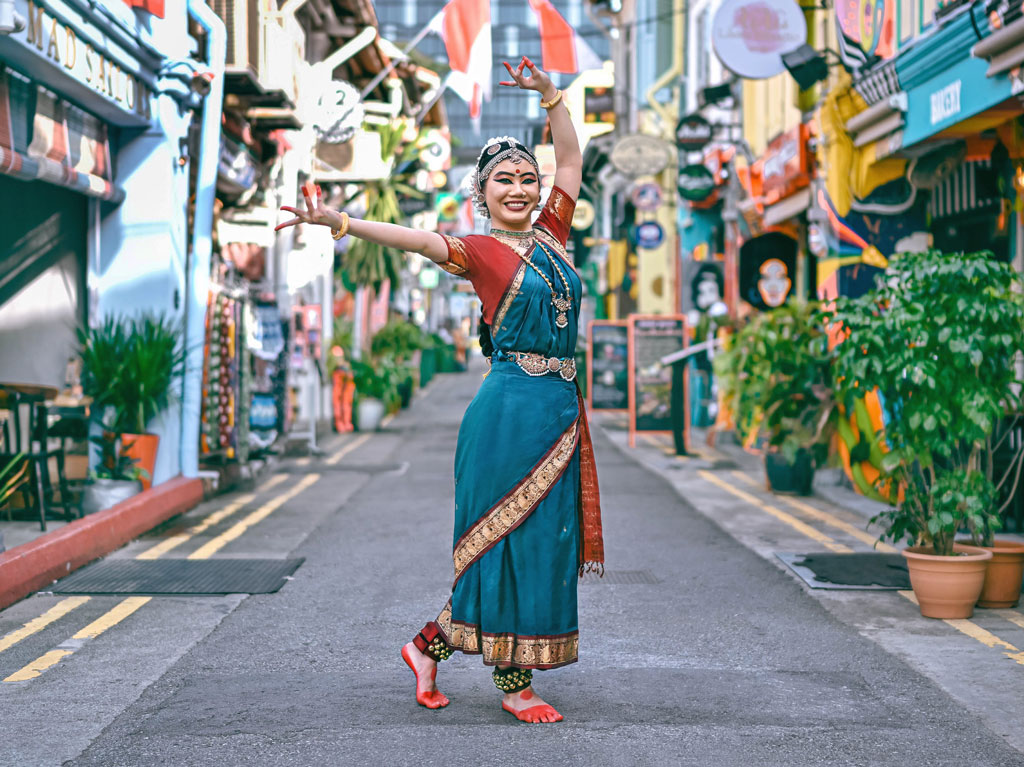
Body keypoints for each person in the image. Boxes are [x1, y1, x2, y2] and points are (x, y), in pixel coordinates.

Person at [276, 56, 603, 724]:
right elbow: (415, 240)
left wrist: (551, 97)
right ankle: (514, 683)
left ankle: (428, 647)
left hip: (558, 412)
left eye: (526, 179)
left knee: (544, 541)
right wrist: (342, 223)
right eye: (503, 180)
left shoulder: (554, 235)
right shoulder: (482, 251)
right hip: (509, 410)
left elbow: (571, 161)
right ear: (482, 194)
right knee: (502, 542)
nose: (519, 187)